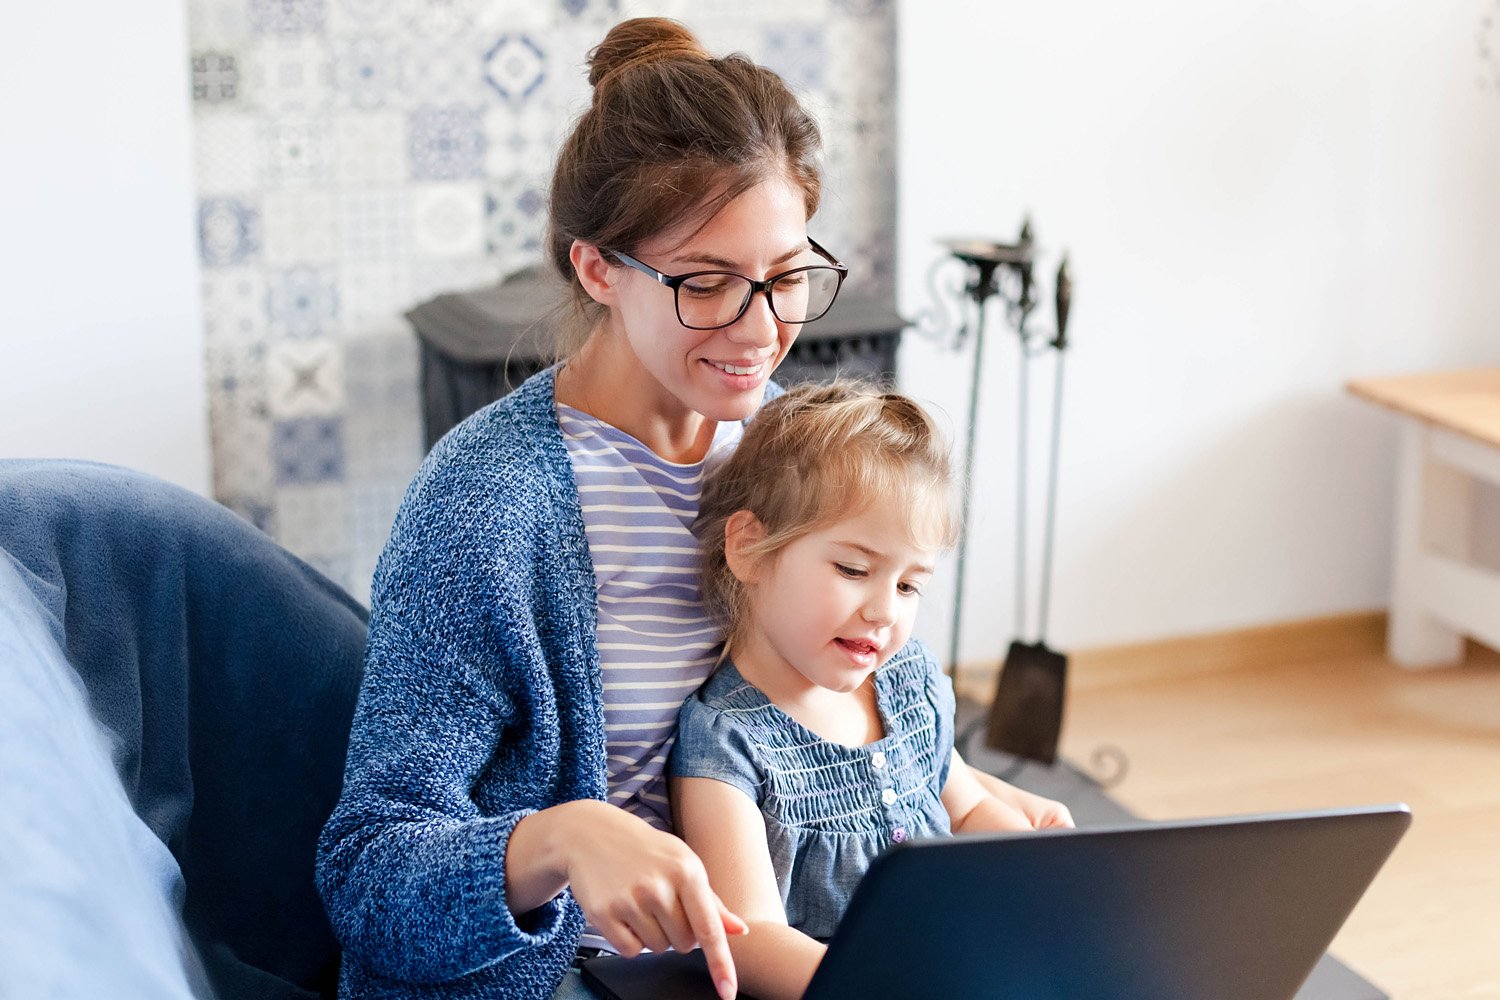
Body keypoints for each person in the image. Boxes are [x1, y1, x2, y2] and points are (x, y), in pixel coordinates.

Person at [316, 17, 1071, 1000]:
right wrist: (553, 839)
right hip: (568, 974)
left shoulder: (792, 450)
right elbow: (368, 874)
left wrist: (953, 796)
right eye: (708, 285)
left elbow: (878, 698)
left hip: (784, 955)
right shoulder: (489, 505)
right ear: (597, 269)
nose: (763, 330)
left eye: (788, 277)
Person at [669, 382, 1068, 1000]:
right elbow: (748, 937)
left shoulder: (907, 684)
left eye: (910, 586)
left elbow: (965, 807)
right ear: (749, 548)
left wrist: (1038, 876)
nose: (885, 611)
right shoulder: (726, 742)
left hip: (958, 963)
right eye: (853, 570)